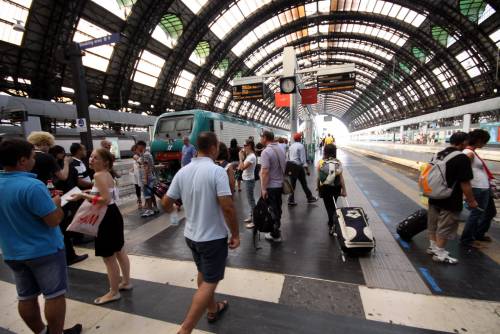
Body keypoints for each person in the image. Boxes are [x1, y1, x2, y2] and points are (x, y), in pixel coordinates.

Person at [0, 138, 82, 334]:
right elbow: (53, 220)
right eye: (31, 156)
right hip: (44, 250)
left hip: (12, 252)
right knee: (54, 295)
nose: (34, 160)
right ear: (22, 161)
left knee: (25, 296)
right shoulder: (33, 186)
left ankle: (41, 332)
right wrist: (56, 203)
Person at [161, 132, 239, 334]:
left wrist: (174, 212)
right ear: (213, 148)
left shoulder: (183, 172)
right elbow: (228, 207)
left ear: (196, 148)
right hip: (212, 238)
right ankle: (185, 330)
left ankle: (213, 309)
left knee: (203, 274)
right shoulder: (216, 171)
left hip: (191, 236)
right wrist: (236, 234)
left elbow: (165, 203)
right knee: (210, 282)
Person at [69, 148, 131, 305]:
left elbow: (103, 199)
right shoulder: (107, 174)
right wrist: (91, 191)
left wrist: (83, 195)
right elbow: (106, 193)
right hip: (113, 214)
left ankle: (113, 292)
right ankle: (126, 282)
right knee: (119, 250)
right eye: (90, 156)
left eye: (95, 158)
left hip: (105, 218)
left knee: (109, 258)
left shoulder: (97, 175)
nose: (91, 159)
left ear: (105, 162)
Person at [427, 132, 477, 264]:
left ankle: (433, 248)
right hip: (450, 198)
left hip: (433, 194)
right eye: (467, 142)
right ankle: (440, 253)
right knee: (446, 226)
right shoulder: (462, 158)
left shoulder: (439, 154)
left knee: (433, 223)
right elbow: (465, 183)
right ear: (463, 143)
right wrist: (471, 200)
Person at [49, 145, 89, 266]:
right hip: (66, 198)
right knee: (65, 224)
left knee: (65, 224)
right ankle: (70, 254)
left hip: (65, 196)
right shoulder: (61, 167)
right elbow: (64, 177)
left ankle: (71, 245)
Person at [461, 129, 495, 247]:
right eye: (484, 142)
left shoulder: (472, 152)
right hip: (477, 188)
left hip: (483, 188)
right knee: (476, 214)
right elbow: (463, 175)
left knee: (485, 213)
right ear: (479, 140)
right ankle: (467, 239)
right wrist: (467, 195)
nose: (485, 144)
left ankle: (476, 235)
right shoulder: (468, 153)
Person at [260, 130, 286, 242]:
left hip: (271, 186)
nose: (260, 139)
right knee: (277, 208)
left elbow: (265, 172)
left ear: (265, 138)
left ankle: (275, 234)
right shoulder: (281, 148)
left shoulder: (266, 152)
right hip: (280, 184)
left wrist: (263, 189)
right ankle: (276, 229)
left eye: (261, 137)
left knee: (272, 210)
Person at [317, 144, 346, 233]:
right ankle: (332, 221)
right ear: (334, 152)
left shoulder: (321, 162)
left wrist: (317, 187)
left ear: (325, 151)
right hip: (336, 187)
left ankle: (332, 223)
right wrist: (344, 190)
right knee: (333, 204)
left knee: (328, 206)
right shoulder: (338, 162)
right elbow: (341, 178)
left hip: (325, 188)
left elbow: (319, 178)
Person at [287, 133, 318, 206]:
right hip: (298, 167)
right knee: (304, 184)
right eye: (301, 137)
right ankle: (309, 197)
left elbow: (288, 157)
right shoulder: (301, 146)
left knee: (292, 185)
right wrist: (307, 170)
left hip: (291, 166)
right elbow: (303, 160)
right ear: (299, 139)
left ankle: (290, 200)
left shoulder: (291, 146)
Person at [136, 140, 159, 217]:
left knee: (147, 194)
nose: (137, 148)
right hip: (150, 176)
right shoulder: (148, 154)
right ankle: (155, 208)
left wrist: (145, 179)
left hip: (147, 177)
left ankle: (150, 210)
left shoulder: (145, 155)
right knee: (151, 193)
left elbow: (146, 167)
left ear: (142, 146)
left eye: (138, 146)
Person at [239, 139, 257, 228]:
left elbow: (242, 167)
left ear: (249, 146)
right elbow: (241, 166)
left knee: (251, 200)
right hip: (247, 179)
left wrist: (240, 157)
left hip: (249, 180)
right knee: (250, 200)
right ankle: (251, 216)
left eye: (245, 145)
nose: (243, 147)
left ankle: (255, 221)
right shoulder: (249, 155)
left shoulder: (251, 157)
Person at [130, 144, 143, 211]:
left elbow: (141, 163)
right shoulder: (136, 156)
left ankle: (142, 202)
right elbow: (137, 163)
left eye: (135, 151)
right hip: (136, 175)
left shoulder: (138, 156)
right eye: (133, 151)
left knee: (140, 188)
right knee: (138, 188)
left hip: (140, 175)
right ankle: (140, 202)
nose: (134, 153)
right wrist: (132, 168)